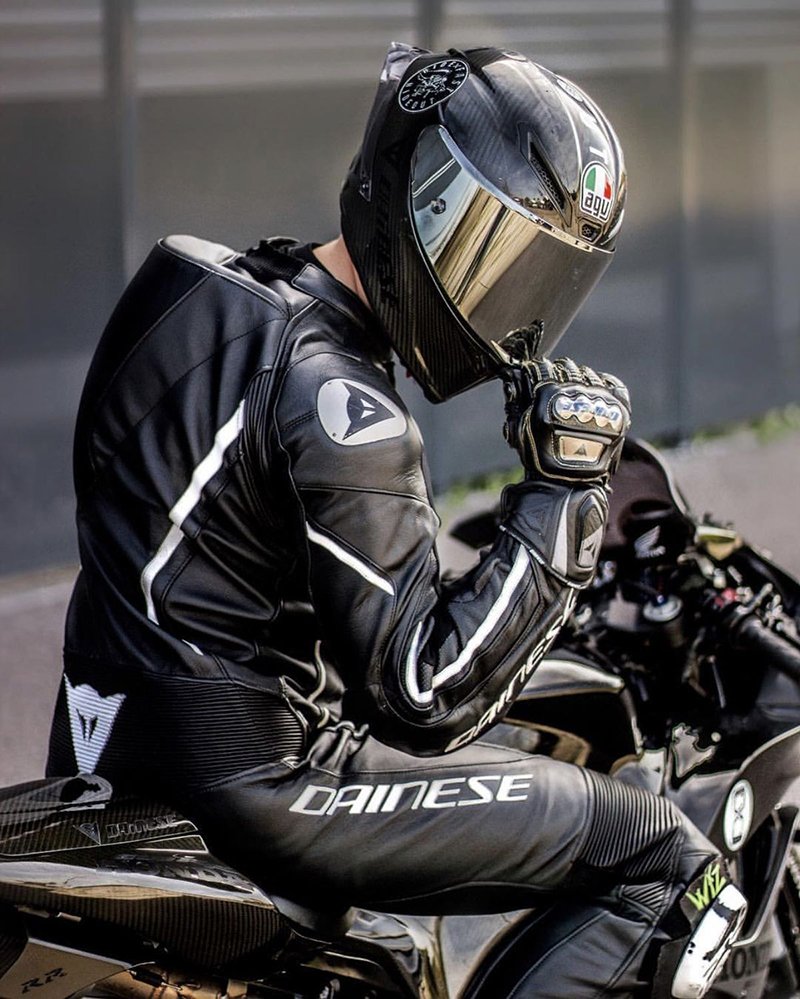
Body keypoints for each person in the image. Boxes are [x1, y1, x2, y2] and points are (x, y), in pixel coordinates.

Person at [46, 43, 745, 997]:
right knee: (667, 860)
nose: (497, 303)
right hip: (259, 789)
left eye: (532, 279)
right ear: (400, 185)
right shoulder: (347, 408)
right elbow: (426, 694)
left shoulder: (187, 288)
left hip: (107, 739)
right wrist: (567, 496)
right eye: (474, 244)